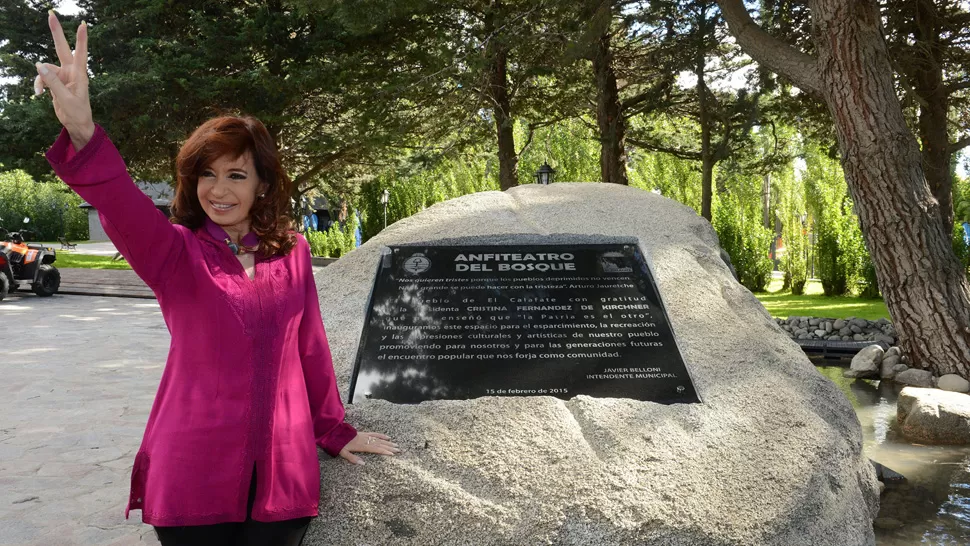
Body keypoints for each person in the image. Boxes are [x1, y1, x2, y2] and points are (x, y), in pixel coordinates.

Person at [34, 12, 399, 546]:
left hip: (282, 470)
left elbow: (310, 350)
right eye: (206, 173)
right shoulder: (174, 253)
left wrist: (333, 430)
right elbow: (122, 203)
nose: (218, 189)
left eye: (235, 174)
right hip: (193, 472)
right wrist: (83, 132)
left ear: (261, 184)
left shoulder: (293, 251)